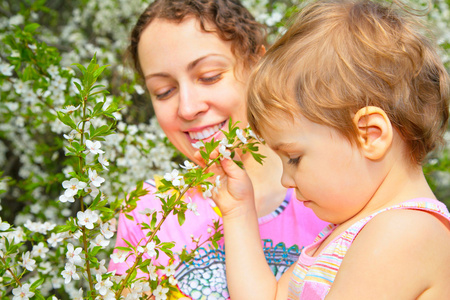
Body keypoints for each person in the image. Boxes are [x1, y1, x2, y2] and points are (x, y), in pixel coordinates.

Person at [209, 0, 450, 299]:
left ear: (370, 135)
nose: (286, 180)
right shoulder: (346, 233)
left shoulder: (405, 233)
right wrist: (237, 213)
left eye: (294, 158)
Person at [108, 0, 327, 298]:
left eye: (209, 76)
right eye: (164, 91)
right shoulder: (148, 213)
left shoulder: (333, 193)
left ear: (258, 67)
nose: (187, 107)